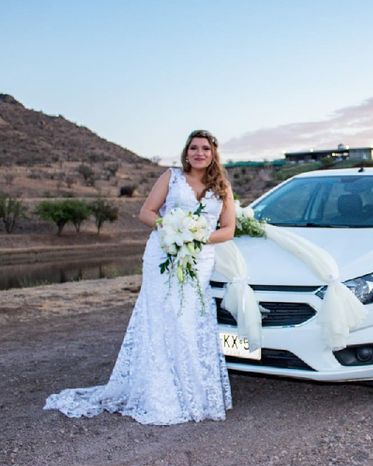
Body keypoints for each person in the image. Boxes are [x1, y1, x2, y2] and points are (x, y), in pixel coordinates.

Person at [44, 130, 236, 424]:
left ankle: (192, 391)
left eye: (206, 149)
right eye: (194, 148)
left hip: (200, 260)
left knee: (188, 319)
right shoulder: (170, 177)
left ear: (213, 154)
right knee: (159, 317)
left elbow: (228, 229)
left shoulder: (222, 187)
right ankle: (158, 392)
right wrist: (171, 228)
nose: (199, 153)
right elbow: (146, 212)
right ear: (186, 153)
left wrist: (198, 237)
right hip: (162, 252)